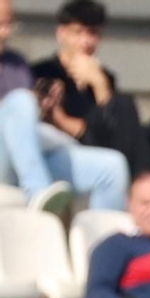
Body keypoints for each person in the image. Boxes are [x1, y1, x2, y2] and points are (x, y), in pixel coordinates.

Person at [31, 1, 150, 214]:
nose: (85, 42)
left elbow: (114, 124)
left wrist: (99, 84)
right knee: (122, 103)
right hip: (81, 152)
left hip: (121, 145)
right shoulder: (43, 72)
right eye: (77, 33)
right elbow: (60, 127)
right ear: (61, 34)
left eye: (92, 33)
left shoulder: (103, 76)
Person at [0, 0, 124, 213]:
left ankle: (106, 234)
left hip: (28, 156)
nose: (6, 32)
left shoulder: (17, 64)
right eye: (1, 24)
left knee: (112, 167)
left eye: (10, 24)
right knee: (20, 100)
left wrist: (46, 108)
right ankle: (37, 191)